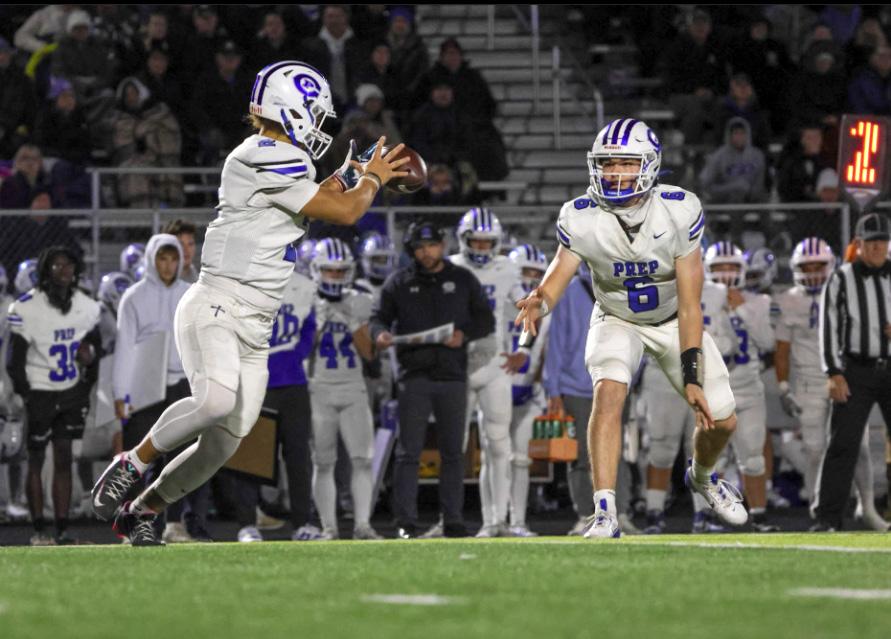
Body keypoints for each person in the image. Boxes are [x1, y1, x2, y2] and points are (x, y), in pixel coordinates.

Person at [90, 60, 409, 546]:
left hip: (256, 323)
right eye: (314, 114)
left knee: (226, 441)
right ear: (291, 109)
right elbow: (345, 211)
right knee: (215, 401)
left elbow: (318, 196)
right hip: (219, 302)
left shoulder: (282, 159)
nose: (319, 126)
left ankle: (143, 510)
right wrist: (371, 180)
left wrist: (352, 171)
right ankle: (131, 463)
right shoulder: (261, 153)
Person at [515, 118, 746, 539]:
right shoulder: (582, 216)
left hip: (673, 321)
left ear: (650, 164)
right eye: (607, 163)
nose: (615, 172)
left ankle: (703, 476)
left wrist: (692, 376)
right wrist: (540, 300)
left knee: (724, 421)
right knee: (608, 393)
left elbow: (690, 306)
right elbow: (560, 271)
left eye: (625, 162)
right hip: (616, 318)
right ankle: (605, 510)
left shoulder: (678, 210)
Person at [369, 221, 494, 539]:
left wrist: (464, 334)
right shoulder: (399, 282)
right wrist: (379, 333)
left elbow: (485, 319)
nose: (426, 252)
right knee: (408, 452)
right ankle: (405, 522)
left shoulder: (462, 279)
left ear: (443, 245)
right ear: (412, 251)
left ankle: (453, 520)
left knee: (453, 452)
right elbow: (378, 318)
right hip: (414, 377)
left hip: (453, 375)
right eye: (420, 248)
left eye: (431, 245)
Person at [775, 237, 888, 530]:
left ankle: (867, 507)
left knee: (858, 446)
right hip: (811, 382)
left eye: (818, 266)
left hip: (845, 376)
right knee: (814, 450)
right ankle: (820, 509)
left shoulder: (845, 287)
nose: (813, 272)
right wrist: (784, 387)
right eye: (807, 267)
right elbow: (782, 349)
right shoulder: (789, 300)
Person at [113, 234, 212, 543]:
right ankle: (132, 523)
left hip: (182, 385)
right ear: (151, 260)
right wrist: (120, 392)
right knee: (138, 459)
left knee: (179, 460)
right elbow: (124, 347)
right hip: (144, 387)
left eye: (173, 259)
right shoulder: (133, 297)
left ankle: (173, 523)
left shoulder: (190, 293)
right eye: (162, 258)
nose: (168, 265)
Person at [6, 246, 102, 544]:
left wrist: (86, 376)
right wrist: (27, 394)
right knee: (35, 458)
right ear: (45, 270)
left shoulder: (86, 306)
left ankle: (61, 530)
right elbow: (14, 360)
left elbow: (95, 351)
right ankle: (38, 530)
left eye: (68, 265)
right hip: (40, 391)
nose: (64, 271)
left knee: (64, 458)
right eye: (57, 265)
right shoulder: (25, 307)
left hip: (70, 390)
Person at [230, 243, 318, 543]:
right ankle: (247, 522)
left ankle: (303, 522)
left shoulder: (303, 286)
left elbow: (309, 329)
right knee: (251, 456)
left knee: (298, 457)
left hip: (292, 382)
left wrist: (292, 358)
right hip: (255, 381)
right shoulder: (245, 284)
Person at [449, 208, 527, 537]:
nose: (481, 248)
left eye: (487, 242)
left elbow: (527, 310)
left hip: (494, 363)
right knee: (453, 448)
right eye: (476, 241)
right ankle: (449, 517)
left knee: (498, 446)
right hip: (455, 365)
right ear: (463, 239)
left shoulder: (506, 268)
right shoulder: (450, 266)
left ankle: (496, 520)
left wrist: (524, 349)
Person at [812, 214, 891, 532]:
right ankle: (828, 517)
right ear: (858, 245)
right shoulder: (841, 278)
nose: (877, 248)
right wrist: (833, 372)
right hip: (856, 369)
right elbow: (828, 326)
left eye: (882, 241)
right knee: (843, 443)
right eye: (870, 242)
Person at [306, 238, 380, 540]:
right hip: (318, 389)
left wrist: (354, 323)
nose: (335, 276)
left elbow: (369, 354)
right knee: (323, 462)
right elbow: (302, 353)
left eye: (340, 271)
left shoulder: (360, 299)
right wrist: (316, 324)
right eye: (329, 270)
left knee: (362, 459)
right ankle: (329, 528)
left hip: (352, 387)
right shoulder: (306, 299)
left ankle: (362, 525)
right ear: (316, 270)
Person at [702, 242, 778, 532]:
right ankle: (715, 516)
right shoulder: (699, 300)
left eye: (731, 266)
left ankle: (759, 515)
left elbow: (768, 342)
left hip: (748, 388)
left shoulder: (759, 302)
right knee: (713, 459)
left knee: (754, 457)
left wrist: (741, 308)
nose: (726, 272)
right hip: (713, 389)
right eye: (719, 267)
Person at [505, 244, 549, 537]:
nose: (531, 278)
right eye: (526, 271)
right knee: (495, 458)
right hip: (496, 386)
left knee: (520, 459)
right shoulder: (498, 300)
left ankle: (517, 521)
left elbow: (546, 350)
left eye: (537, 273)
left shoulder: (546, 306)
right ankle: (493, 520)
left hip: (528, 389)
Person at [698, 117, 767, 204]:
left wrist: (750, 192)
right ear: (729, 135)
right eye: (736, 133)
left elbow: (759, 185)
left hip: (751, 201)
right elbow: (705, 186)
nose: (739, 137)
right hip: (725, 202)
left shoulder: (757, 156)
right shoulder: (719, 156)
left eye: (742, 133)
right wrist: (733, 187)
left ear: (748, 135)